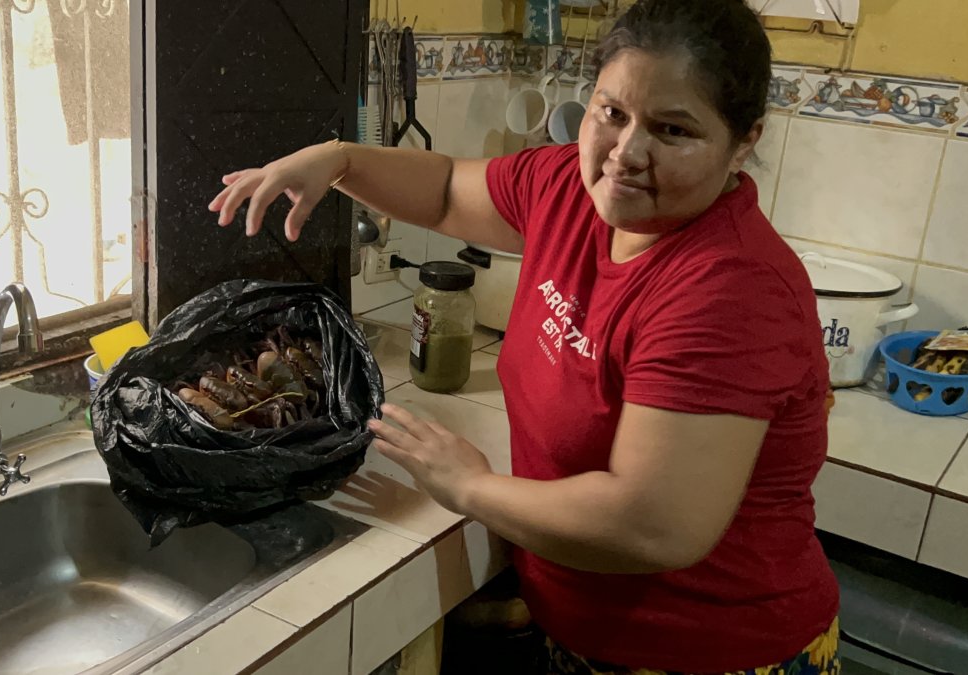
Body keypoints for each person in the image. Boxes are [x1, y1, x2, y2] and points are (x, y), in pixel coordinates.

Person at [209, 0, 840, 672]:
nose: (626, 154)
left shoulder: (729, 288)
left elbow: (651, 524)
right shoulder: (569, 189)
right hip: (578, 631)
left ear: (743, 141)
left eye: (673, 129)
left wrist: (471, 487)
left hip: (713, 654)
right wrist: (337, 161)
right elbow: (447, 191)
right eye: (612, 112)